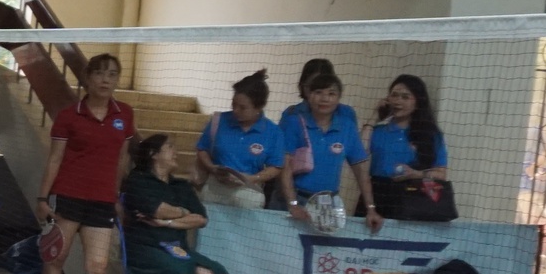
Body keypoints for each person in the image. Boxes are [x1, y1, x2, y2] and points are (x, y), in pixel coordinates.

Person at [36, 52, 135, 274]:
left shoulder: (125, 114)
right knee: (56, 260)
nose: (106, 80)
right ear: (88, 78)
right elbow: (55, 158)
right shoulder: (69, 115)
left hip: (102, 201)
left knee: (98, 267)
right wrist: (43, 197)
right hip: (69, 196)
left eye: (112, 74)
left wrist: (116, 196)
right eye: (100, 74)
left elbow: (122, 159)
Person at [120, 133, 230, 274]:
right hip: (145, 246)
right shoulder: (138, 180)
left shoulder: (180, 186)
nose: (176, 152)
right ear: (153, 154)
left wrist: (168, 223)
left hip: (176, 247)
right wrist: (182, 212)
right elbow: (157, 209)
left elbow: (200, 219)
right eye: (170, 147)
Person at [282, 68, 380, 234]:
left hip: (328, 205)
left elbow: (361, 173)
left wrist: (371, 208)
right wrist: (293, 204)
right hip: (294, 201)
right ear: (309, 95)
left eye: (331, 93)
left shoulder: (347, 127)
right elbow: (284, 168)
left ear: (339, 98)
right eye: (318, 92)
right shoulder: (293, 122)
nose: (324, 98)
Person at [192, 69, 290, 210]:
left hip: (248, 192)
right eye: (234, 104)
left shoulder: (273, 132)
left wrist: (252, 178)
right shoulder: (218, 121)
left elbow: (275, 167)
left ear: (259, 107)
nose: (236, 110)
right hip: (214, 189)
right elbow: (202, 149)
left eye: (243, 107)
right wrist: (212, 168)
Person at [367, 74, 451, 221]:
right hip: (376, 196)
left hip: (412, 198)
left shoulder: (430, 135)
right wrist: (375, 115)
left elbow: (441, 174)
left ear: (418, 102)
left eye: (405, 97)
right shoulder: (378, 131)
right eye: (394, 95)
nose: (398, 101)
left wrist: (415, 174)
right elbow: (357, 153)